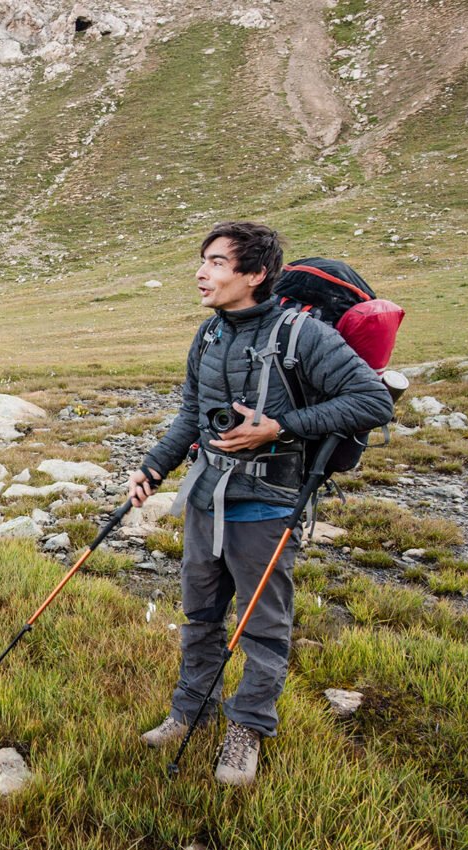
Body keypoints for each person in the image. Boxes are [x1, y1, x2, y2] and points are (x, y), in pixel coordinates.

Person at [126, 221, 393, 785]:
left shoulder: (303, 336)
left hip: (268, 504)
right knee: (200, 617)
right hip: (205, 498)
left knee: (263, 629)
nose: (203, 272)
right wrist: (153, 466)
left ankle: (246, 732)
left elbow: (372, 400)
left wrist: (279, 427)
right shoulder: (209, 335)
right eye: (204, 260)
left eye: (219, 263)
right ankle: (187, 712)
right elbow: (191, 416)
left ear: (255, 274)